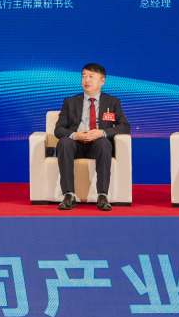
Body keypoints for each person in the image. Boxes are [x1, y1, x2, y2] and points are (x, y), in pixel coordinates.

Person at [53, 63, 130, 211]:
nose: (86, 80)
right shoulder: (70, 102)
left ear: (102, 81)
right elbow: (59, 129)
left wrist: (102, 132)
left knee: (103, 142)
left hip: (99, 146)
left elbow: (125, 126)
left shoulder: (113, 102)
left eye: (91, 76)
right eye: (84, 76)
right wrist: (75, 135)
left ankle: (102, 196)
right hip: (76, 146)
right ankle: (68, 195)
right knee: (64, 142)